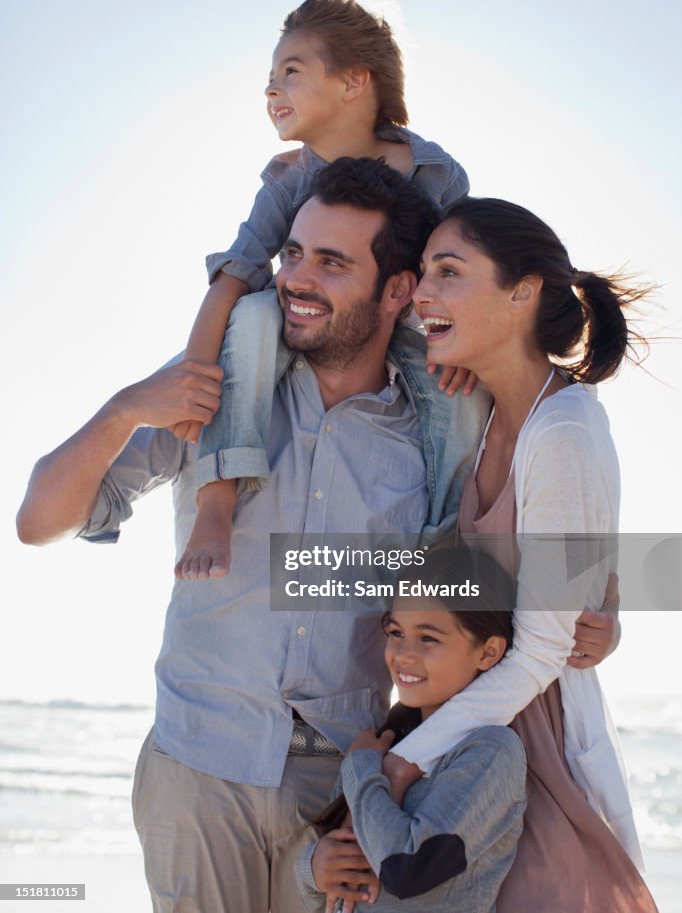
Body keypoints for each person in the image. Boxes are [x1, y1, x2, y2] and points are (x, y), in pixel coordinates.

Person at [16, 158, 489, 913]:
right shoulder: (218, 388)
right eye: (293, 253)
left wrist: (595, 602)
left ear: (397, 290)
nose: (297, 279)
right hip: (199, 769)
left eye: (332, 262)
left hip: (343, 791)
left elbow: (479, 585)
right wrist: (121, 410)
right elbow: (37, 522)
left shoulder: (425, 444)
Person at [385, 198, 658, 911]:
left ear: (522, 292)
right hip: (475, 738)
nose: (422, 292)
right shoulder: (484, 418)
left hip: (531, 751)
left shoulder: (563, 431)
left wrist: (404, 758)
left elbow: (541, 651)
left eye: (449, 272)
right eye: (423, 273)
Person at [174, 0, 473, 580]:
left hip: (404, 331)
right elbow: (233, 278)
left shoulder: (434, 173)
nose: (270, 89)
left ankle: (445, 550)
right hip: (309, 327)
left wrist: (458, 346)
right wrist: (194, 375)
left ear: (353, 82)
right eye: (268, 77)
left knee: (464, 397)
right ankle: (218, 496)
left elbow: (462, 274)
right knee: (256, 316)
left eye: (291, 71)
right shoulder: (290, 180)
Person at [297, 565, 528, 913]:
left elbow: (408, 870)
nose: (403, 653)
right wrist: (314, 869)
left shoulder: (490, 751)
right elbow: (333, 888)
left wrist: (361, 768)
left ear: (488, 652)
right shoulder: (383, 743)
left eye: (428, 638)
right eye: (395, 632)